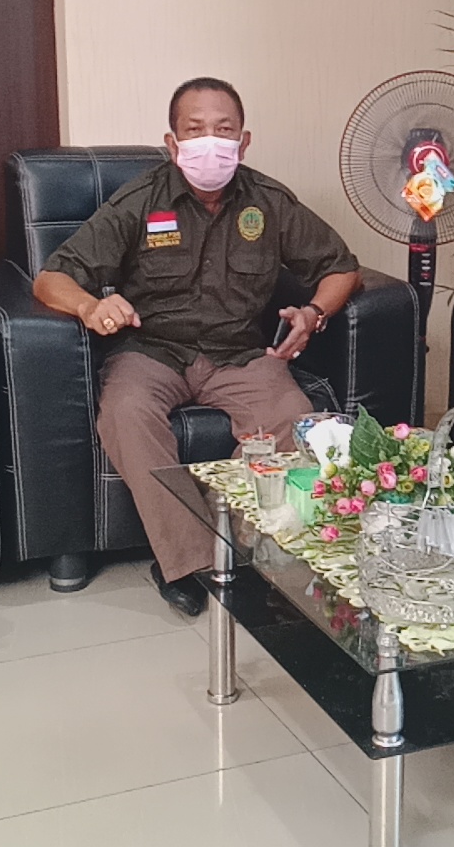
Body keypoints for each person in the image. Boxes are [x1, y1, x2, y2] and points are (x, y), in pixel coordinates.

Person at [33, 77, 361, 618]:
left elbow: (341, 267)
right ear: (172, 143)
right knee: (125, 414)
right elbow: (51, 279)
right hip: (152, 350)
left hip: (240, 353)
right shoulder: (140, 200)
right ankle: (190, 562)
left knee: (294, 419)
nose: (211, 142)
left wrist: (314, 313)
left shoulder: (269, 202)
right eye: (195, 130)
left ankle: (228, 543)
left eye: (224, 130)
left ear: (244, 142)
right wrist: (92, 307)